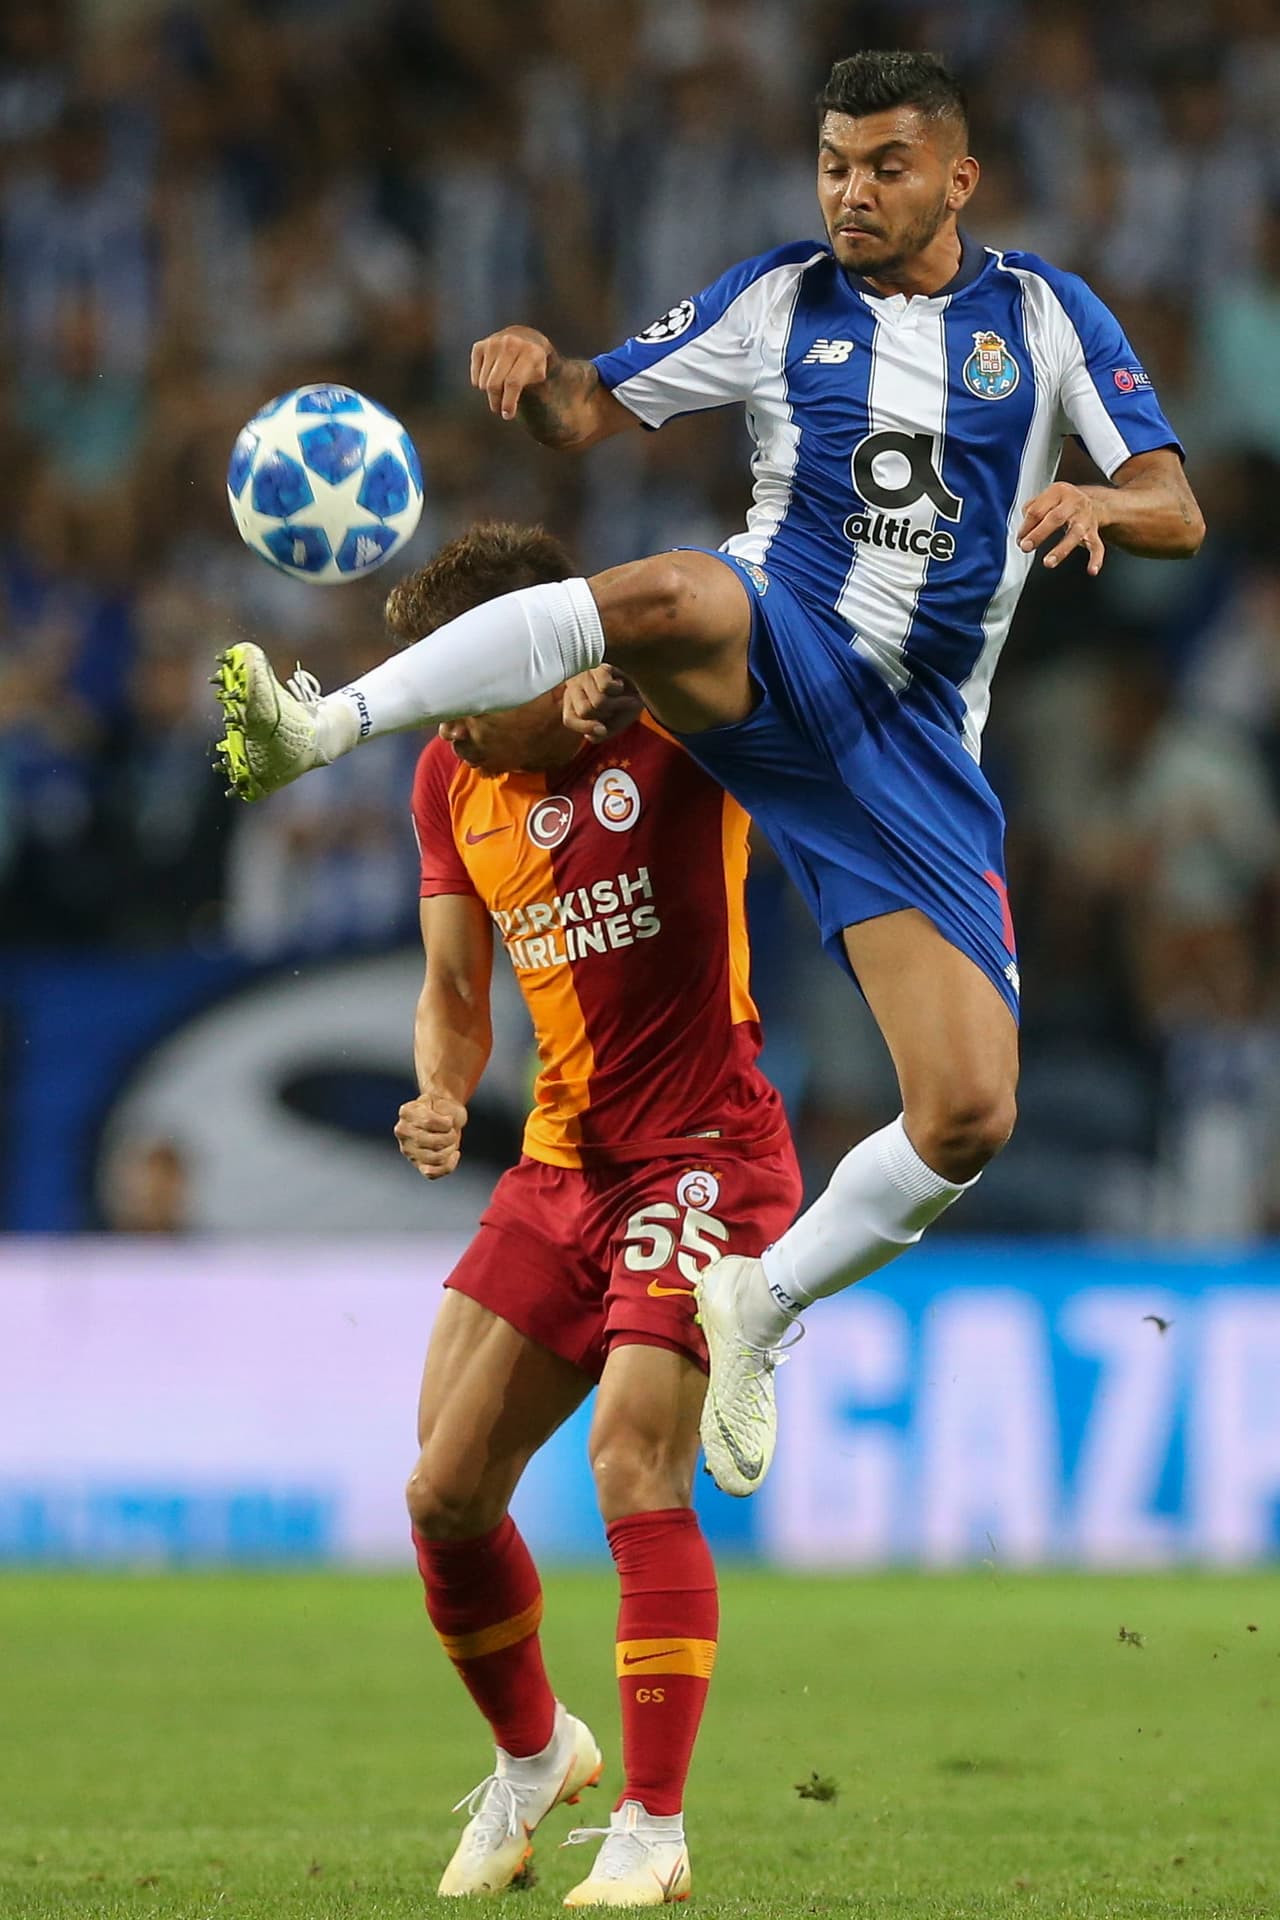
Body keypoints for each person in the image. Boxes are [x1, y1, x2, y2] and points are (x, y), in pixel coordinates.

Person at [213, 50, 1205, 1502]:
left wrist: (1098, 495)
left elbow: (1177, 507)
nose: (853, 192)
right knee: (675, 595)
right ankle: (327, 723)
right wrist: (535, 372)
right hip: (775, 633)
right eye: (834, 165)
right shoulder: (778, 298)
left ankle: (765, 1304)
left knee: (969, 1116)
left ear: (957, 177)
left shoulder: (1046, 320)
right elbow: (588, 410)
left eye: (885, 167)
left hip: (910, 745)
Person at [376, 522, 802, 1904]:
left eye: (461, 689)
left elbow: (748, 614)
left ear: (541, 654)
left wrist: (638, 662)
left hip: (702, 1149)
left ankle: (654, 1829)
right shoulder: (453, 777)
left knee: (632, 1464)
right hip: (562, 1162)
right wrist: (444, 1090)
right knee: (444, 1495)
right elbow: (454, 991)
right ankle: (534, 1756)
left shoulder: (672, 723)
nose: (444, 725)